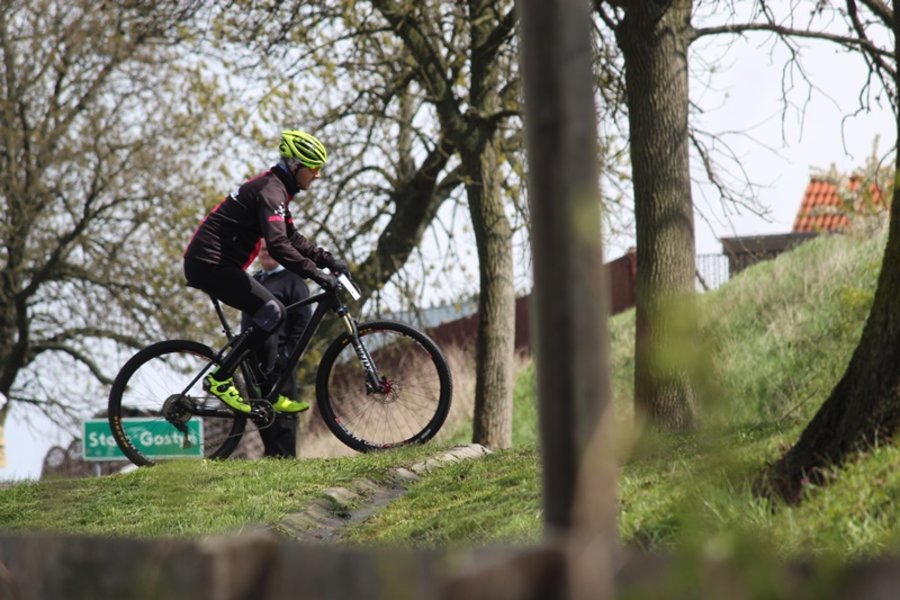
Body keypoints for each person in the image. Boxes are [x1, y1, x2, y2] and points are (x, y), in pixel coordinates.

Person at [183, 129, 348, 415]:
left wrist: (327, 260)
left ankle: (266, 394)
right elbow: (279, 245)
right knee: (274, 311)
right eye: (314, 169)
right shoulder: (271, 191)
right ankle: (221, 379)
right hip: (208, 262)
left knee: (270, 314)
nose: (318, 175)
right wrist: (316, 274)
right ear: (296, 166)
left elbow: (291, 236)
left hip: (220, 262)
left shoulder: (277, 189)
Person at [240, 239, 311, 457]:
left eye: (270, 250)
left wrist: (288, 353)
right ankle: (270, 455)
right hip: (254, 358)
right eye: (262, 250)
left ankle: (286, 458)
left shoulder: (293, 281)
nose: (265, 253)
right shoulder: (255, 280)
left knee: (283, 413)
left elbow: (303, 322)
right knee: (260, 409)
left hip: (280, 358)